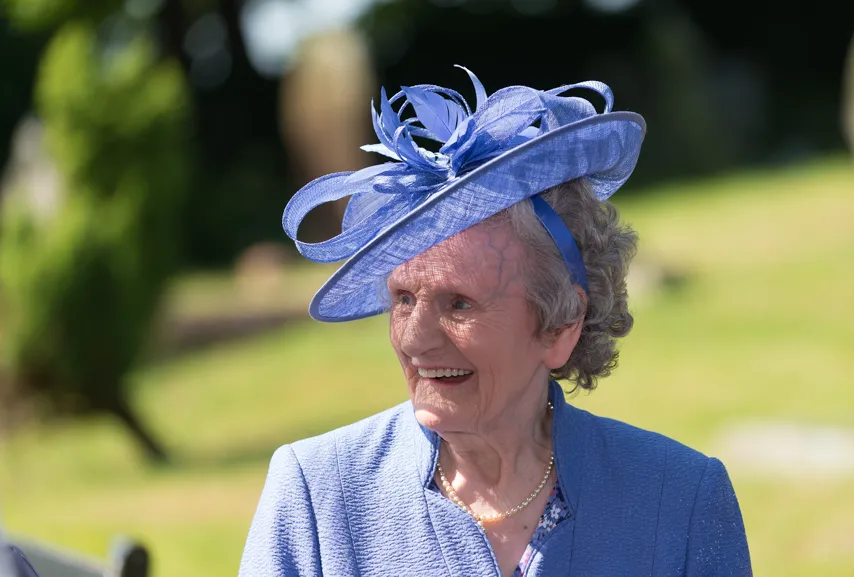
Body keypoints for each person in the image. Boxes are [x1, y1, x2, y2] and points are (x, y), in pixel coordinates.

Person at [239, 67, 751, 576]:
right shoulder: (317, 497)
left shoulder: (679, 502)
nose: (414, 340)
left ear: (559, 324)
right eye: (402, 299)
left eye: (459, 303)